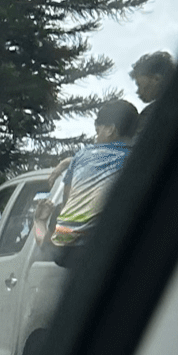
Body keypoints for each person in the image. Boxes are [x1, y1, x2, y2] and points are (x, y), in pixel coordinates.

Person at [45, 98, 140, 254]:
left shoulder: (83, 157)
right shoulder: (140, 159)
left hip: (76, 251)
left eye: (98, 131)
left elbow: (67, 204)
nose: (96, 138)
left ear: (110, 129)